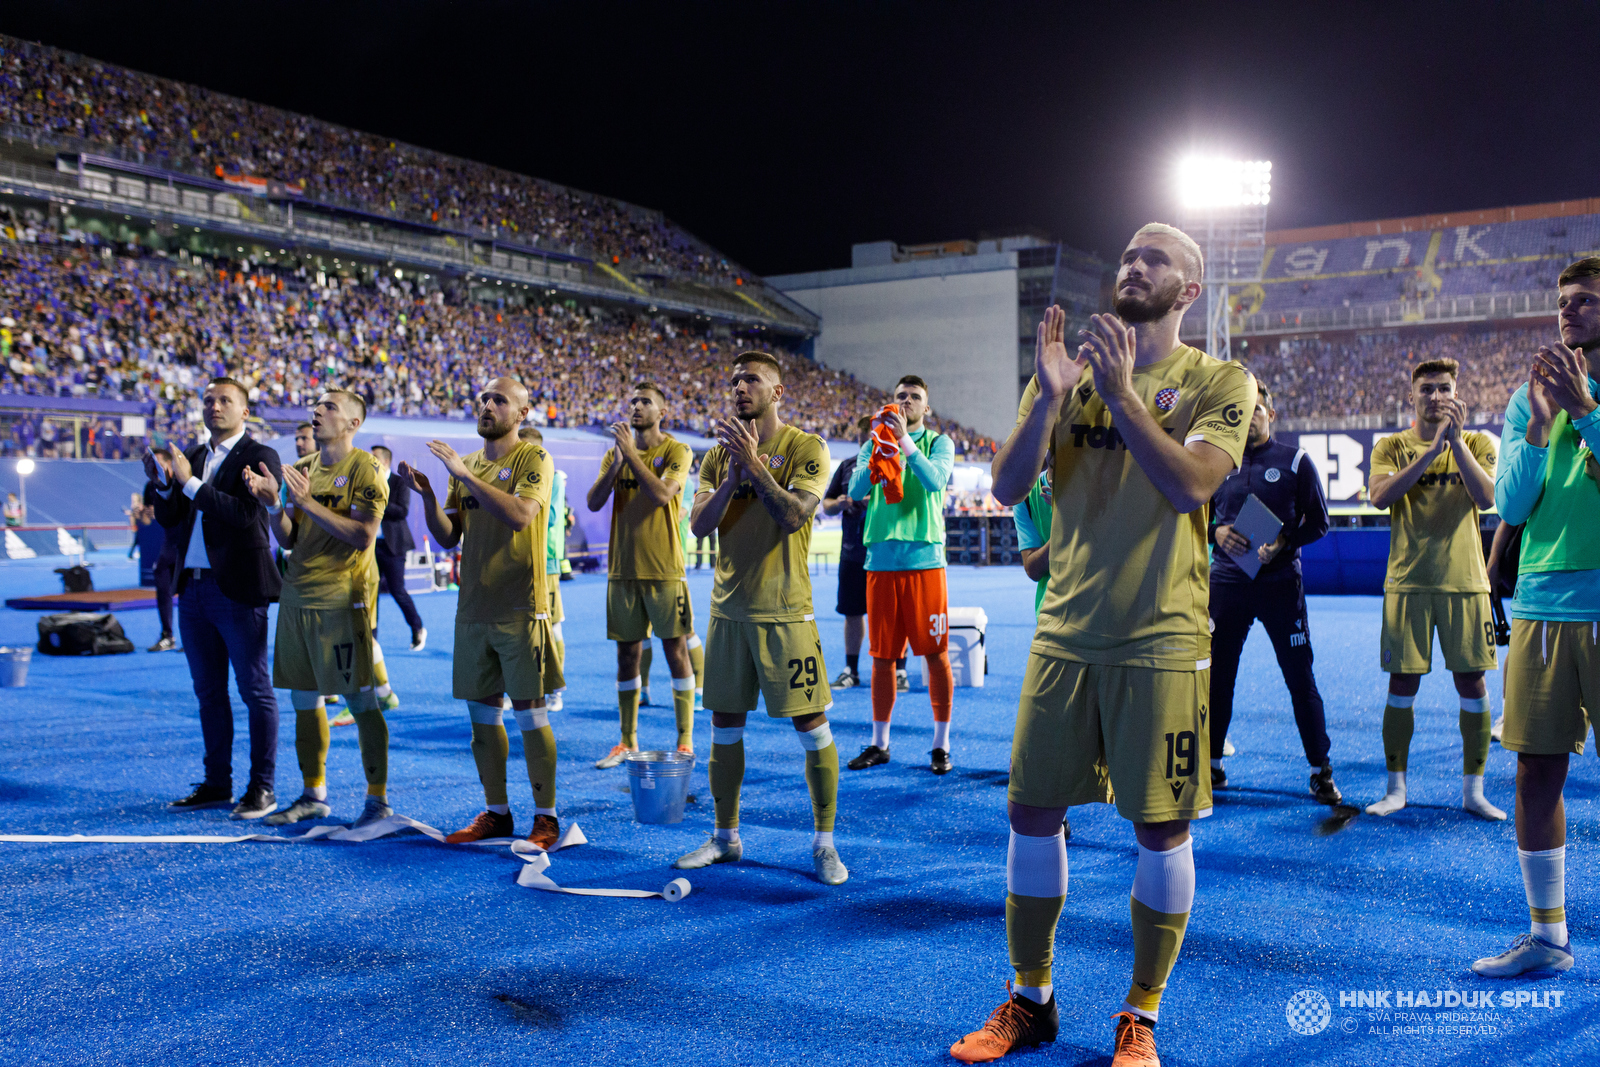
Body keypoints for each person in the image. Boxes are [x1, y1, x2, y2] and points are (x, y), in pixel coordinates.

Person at [953, 224, 1254, 1065]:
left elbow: (1192, 482)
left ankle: (1141, 1014)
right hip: (1065, 632)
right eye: (1127, 256)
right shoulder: (1063, 373)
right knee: (1029, 811)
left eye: (1154, 259)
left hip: (1161, 636)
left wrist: (1123, 395)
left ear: (1188, 291)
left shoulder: (1218, 380)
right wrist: (1051, 397)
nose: (1133, 266)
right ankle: (1031, 999)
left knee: (1160, 827)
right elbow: (1010, 484)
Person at [1472, 257, 1600, 978]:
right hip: (1545, 603)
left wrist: (1586, 411)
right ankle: (1548, 938)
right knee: (1534, 771)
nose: (1568, 312)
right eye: (1563, 302)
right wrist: (1543, 421)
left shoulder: (1584, 396)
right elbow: (1513, 507)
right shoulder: (1529, 401)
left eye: (1585, 301)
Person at [674, 352, 846, 886]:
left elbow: (795, 516)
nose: (739, 387)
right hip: (728, 611)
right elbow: (700, 526)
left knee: (810, 724)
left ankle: (824, 843)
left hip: (785, 612)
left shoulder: (805, 446)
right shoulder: (715, 456)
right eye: (734, 381)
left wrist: (756, 468)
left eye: (751, 380)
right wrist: (730, 477)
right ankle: (726, 838)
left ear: (778, 392)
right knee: (724, 726)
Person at [403, 376, 563, 849]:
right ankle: (497, 813)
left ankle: (546, 818)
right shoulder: (466, 465)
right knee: (482, 717)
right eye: (484, 399)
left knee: (531, 714)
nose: (487, 405)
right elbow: (451, 535)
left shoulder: (533, 458)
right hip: (473, 608)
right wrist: (431, 497)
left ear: (523, 413)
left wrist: (466, 476)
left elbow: (520, 516)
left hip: (521, 608)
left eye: (499, 400)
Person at [241, 390, 393, 829]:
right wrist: (273, 505)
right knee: (304, 700)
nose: (318, 411)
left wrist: (306, 503)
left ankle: (377, 800)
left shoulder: (365, 467)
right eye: (318, 406)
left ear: (353, 423)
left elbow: (364, 535)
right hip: (296, 598)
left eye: (330, 407)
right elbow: (289, 538)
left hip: (341, 600)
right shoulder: (303, 469)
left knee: (361, 700)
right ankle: (313, 795)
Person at [1364, 358, 1502, 820]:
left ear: (1458, 394)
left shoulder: (1479, 443)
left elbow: (1487, 499)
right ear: (1412, 396)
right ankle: (1395, 788)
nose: (1437, 397)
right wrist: (1429, 453)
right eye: (1427, 389)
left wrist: (1455, 445)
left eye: (1445, 388)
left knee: (1473, 682)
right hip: (1407, 584)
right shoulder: (1391, 446)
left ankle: (1474, 789)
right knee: (1402, 684)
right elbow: (1380, 497)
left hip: (1465, 583)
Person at [148, 378, 285, 820]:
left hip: (240, 590)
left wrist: (188, 485)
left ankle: (262, 788)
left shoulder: (260, 456)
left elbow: (247, 516)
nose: (214, 406)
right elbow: (171, 520)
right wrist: (166, 487)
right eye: (208, 400)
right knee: (208, 693)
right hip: (193, 591)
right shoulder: (193, 456)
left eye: (225, 400)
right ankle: (216, 783)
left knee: (254, 690)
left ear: (245, 411)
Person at [1207, 383, 1340, 803]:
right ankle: (1211, 766)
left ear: (1272, 414)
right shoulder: (1216, 463)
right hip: (1227, 584)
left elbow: (1319, 523)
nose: (1249, 419)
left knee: (1300, 678)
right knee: (1217, 677)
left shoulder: (1295, 461)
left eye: (1257, 411)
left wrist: (1283, 542)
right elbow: (1199, 515)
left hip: (1280, 585)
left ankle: (1321, 770)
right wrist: (1217, 531)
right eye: (1242, 412)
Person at [846, 376, 958, 774]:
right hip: (880, 563)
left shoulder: (939, 443)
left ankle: (941, 744)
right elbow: (857, 491)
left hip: (925, 561)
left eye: (914, 397)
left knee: (935, 654)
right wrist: (880, 449)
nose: (906, 401)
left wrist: (903, 444)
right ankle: (880, 743)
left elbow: (935, 480)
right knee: (882, 658)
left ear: (925, 409)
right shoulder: (871, 444)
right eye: (900, 396)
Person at [587, 383, 699, 765]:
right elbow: (594, 501)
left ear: (661, 412)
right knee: (626, 656)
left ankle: (685, 739)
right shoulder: (615, 455)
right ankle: (626, 740)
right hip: (623, 570)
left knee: (676, 651)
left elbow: (663, 495)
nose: (636, 407)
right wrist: (618, 463)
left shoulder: (677, 451)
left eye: (645, 401)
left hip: (665, 569)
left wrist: (630, 456)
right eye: (633, 400)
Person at [520, 425, 567, 711]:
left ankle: (556, 690)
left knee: (552, 626)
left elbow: (547, 517)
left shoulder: (552, 476)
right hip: (521, 560)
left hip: (545, 561)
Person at [822, 416, 871, 687]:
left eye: (870, 440)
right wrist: (839, 503)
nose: (865, 444)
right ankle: (851, 669)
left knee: (890, 615)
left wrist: (868, 500)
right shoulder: (846, 466)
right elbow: (826, 504)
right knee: (852, 614)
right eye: (861, 440)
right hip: (851, 553)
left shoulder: (893, 463)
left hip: (883, 552)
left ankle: (897, 669)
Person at [370, 445, 426, 652]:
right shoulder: (365, 482)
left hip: (393, 546)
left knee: (397, 590)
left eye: (374, 457)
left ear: (385, 461)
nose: (370, 459)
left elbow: (402, 511)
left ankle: (417, 627)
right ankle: (371, 639)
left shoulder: (399, 482)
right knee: (371, 593)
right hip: (371, 545)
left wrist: (377, 500)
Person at [135, 481, 180, 652]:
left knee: (189, 590)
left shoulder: (181, 480)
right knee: (162, 584)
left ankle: (198, 638)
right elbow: (147, 520)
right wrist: (142, 515)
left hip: (186, 542)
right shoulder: (149, 486)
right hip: (168, 544)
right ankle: (167, 636)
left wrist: (162, 511)